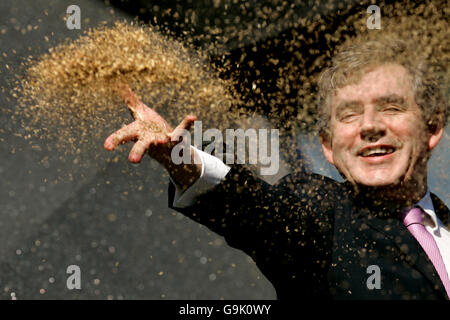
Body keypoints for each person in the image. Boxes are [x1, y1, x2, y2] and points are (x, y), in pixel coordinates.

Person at [104, 39, 449, 299]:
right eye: (349, 114)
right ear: (328, 146)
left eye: (391, 107)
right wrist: (179, 158)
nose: (370, 125)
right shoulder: (317, 214)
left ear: (432, 129)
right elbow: (254, 210)